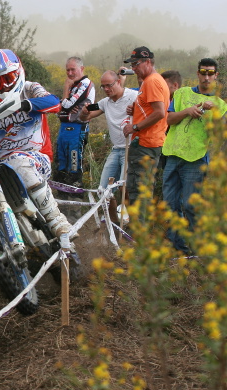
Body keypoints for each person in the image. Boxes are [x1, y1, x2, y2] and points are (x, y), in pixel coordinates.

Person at [0, 49, 71, 242]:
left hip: (36, 159)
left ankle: (55, 219)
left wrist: (25, 105)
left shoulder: (30, 88)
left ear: (18, 72)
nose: (3, 87)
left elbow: (54, 103)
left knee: (18, 160)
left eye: (7, 79)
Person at [162, 58, 227, 253]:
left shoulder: (220, 104)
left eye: (210, 73)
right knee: (170, 204)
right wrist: (187, 111)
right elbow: (169, 119)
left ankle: (197, 247)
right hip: (172, 155)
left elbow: (219, 134)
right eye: (203, 72)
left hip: (196, 159)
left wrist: (214, 113)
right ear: (198, 74)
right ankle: (177, 247)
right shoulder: (182, 93)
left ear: (216, 76)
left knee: (191, 206)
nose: (206, 77)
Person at [122, 46, 170, 204]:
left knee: (138, 191)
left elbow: (159, 112)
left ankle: (138, 228)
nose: (133, 68)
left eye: (136, 64)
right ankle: (139, 226)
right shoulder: (153, 81)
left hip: (145, 143)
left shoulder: (152, 81)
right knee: (142, 189)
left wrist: (135, 127)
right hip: (150, 142)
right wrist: (136, 110)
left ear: (148, 62)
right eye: (132, 65)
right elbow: (151, 109)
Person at [79, 70, 138, 189]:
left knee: (124, 188)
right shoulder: (104, 102)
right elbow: (85, 116)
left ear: (118, 82)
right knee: (104, 189)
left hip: (131, 149)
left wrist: (135, 111)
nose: (106, 89)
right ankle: (108, 207)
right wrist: (84, 112)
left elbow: (149, 111)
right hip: (116, 150)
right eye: (103, 86)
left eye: (109, 85)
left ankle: (124, 208)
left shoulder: (133, 96)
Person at [54, 56, 95, 206]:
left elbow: (65, 105)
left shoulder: (85, 83)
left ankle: (76, 203)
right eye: (67, 70)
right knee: (60, 164)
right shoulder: (74, 84)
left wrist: (65, 89)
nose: (70, 73)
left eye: (73, 69)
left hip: (78, 128)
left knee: (74, 164)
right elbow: (60, 108)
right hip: (64, 128)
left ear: (82, 69)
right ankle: (61, 201)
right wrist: (65, 103)